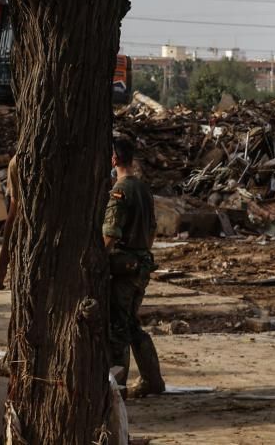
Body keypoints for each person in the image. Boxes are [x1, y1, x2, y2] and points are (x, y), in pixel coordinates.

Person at [105, 136, 164, 397]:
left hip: (124, 269)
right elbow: (152, 228)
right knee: (131, 325)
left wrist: (98, 258)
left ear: (115, 159)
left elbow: (110, 233)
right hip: (141, 266)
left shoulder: (120, 190)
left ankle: (116, 388)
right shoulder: (143, 188)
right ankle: (152, 380)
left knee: (118, 329)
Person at [0, 153, 19, 292]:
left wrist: (2, 266)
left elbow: (13, 215)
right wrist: (2, 265)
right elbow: (13, 215)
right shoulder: (18, 162)